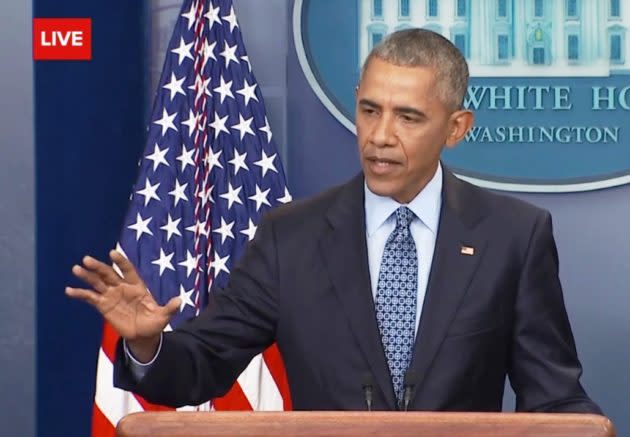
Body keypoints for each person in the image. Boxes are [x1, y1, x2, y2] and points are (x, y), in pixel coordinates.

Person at [66, 28, 601, 413]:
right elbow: (200, 366)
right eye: (370, 110)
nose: (380, 136)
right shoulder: (289, 236)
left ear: (456, 127)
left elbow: (553, 395)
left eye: (407, 117)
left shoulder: (514, 234)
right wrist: (146, 345)